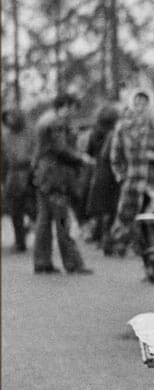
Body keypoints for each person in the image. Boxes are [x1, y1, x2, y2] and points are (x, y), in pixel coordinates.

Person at [31, 93, 94, 275]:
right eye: (73, 108)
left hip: (43, 175)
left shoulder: (45, 119)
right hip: (55, 176)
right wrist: (82, 158)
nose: (73, 113)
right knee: (62, 220)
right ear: (66, 106)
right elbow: (61, 149)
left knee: (43, 220)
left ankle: (42, 262)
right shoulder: (57, 122)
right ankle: (73, 263)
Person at [107, 89, 154, 258]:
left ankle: (152, 256)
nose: (140, 106)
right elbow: (115, 155)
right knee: (126, 216)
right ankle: (122, 247)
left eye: (144, 102)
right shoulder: (123, 128)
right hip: (133, 181)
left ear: (150, 104)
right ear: (132, 104)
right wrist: (121, 175)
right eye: (137, 102)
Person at [84, 103, 121, 251]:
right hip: (113, 171)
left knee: (101, 207)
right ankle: (108, 239)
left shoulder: (94, 132)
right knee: (112, 207)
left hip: (99, 170)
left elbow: (89, 152)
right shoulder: (116, 132)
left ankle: (100, 236)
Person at [1, 108, 36, 252]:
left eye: (12, 117)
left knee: (32, 208)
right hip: (12, 175)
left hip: (29, 173)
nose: (10, 121)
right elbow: (4, 158)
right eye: (7, 118)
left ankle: (29, 228)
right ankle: (19, 241)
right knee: (15, 211)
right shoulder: (5, 136)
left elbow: (34, 152)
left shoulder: (30, 132)